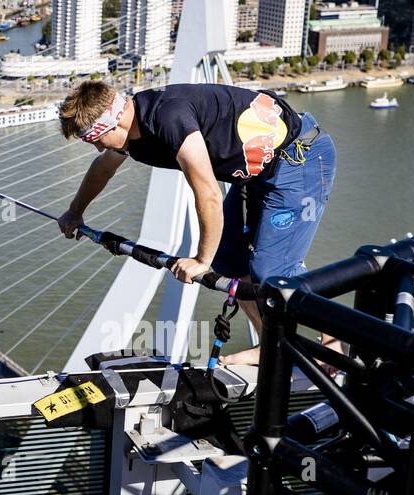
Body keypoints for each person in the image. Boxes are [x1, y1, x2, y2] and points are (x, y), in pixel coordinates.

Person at [55, 80, 337, 365]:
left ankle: (336, 341)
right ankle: (269, 344)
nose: (96, 149)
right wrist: (75, 212)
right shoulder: (132, 126)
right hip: (260, 170)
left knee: (272, 269)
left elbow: (209, 193)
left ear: (114, 123)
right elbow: (102, 170)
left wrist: (201, 260)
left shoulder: (169, 119)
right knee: (228, 260)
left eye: (94, 141)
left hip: (300, 158)